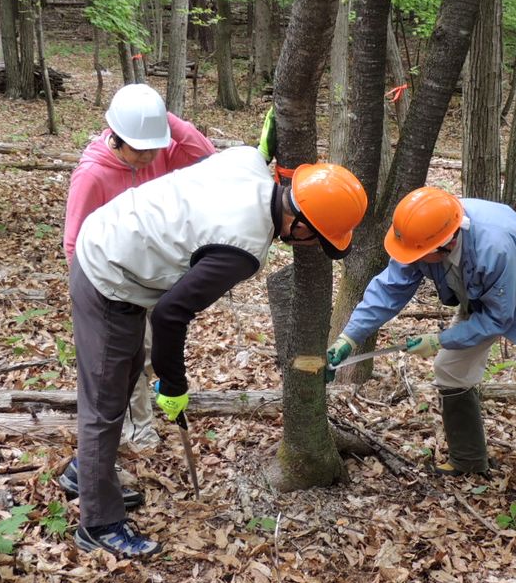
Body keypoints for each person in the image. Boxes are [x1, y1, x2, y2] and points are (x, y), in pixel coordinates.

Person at [69, 147, 367, 557]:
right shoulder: (242, 250)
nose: (312, 245)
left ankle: (85, 475)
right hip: (109, 270)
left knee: (118, 382)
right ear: (300, 223)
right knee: (104, 402)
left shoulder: (246, 160)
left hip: (118, 233)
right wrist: (173, 384)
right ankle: (98, 523)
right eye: (317, 237)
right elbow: (172, 314)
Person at [326, 187, 516, 522]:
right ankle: (468, 458)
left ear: (445, 243)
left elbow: (498, 318)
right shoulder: (419, 236)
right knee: (450, 371)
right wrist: (348, 336)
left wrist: (441, 338)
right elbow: (388, 288)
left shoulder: (494, 244)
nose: (411, 259)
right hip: (479, 300)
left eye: (419, 254)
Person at [58, 84, 214, 506]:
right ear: (115, 136)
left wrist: (169, 122)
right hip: (107, 286)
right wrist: (95, 302)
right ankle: (103, 470)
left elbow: (206, 159)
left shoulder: (159, 149)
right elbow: (74, 242)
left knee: (133, 368)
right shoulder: (93, 173)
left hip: (149, 279)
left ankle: (89, 466)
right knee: (110, 385)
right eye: (139, 150)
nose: (148, 158)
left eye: (153, 147)